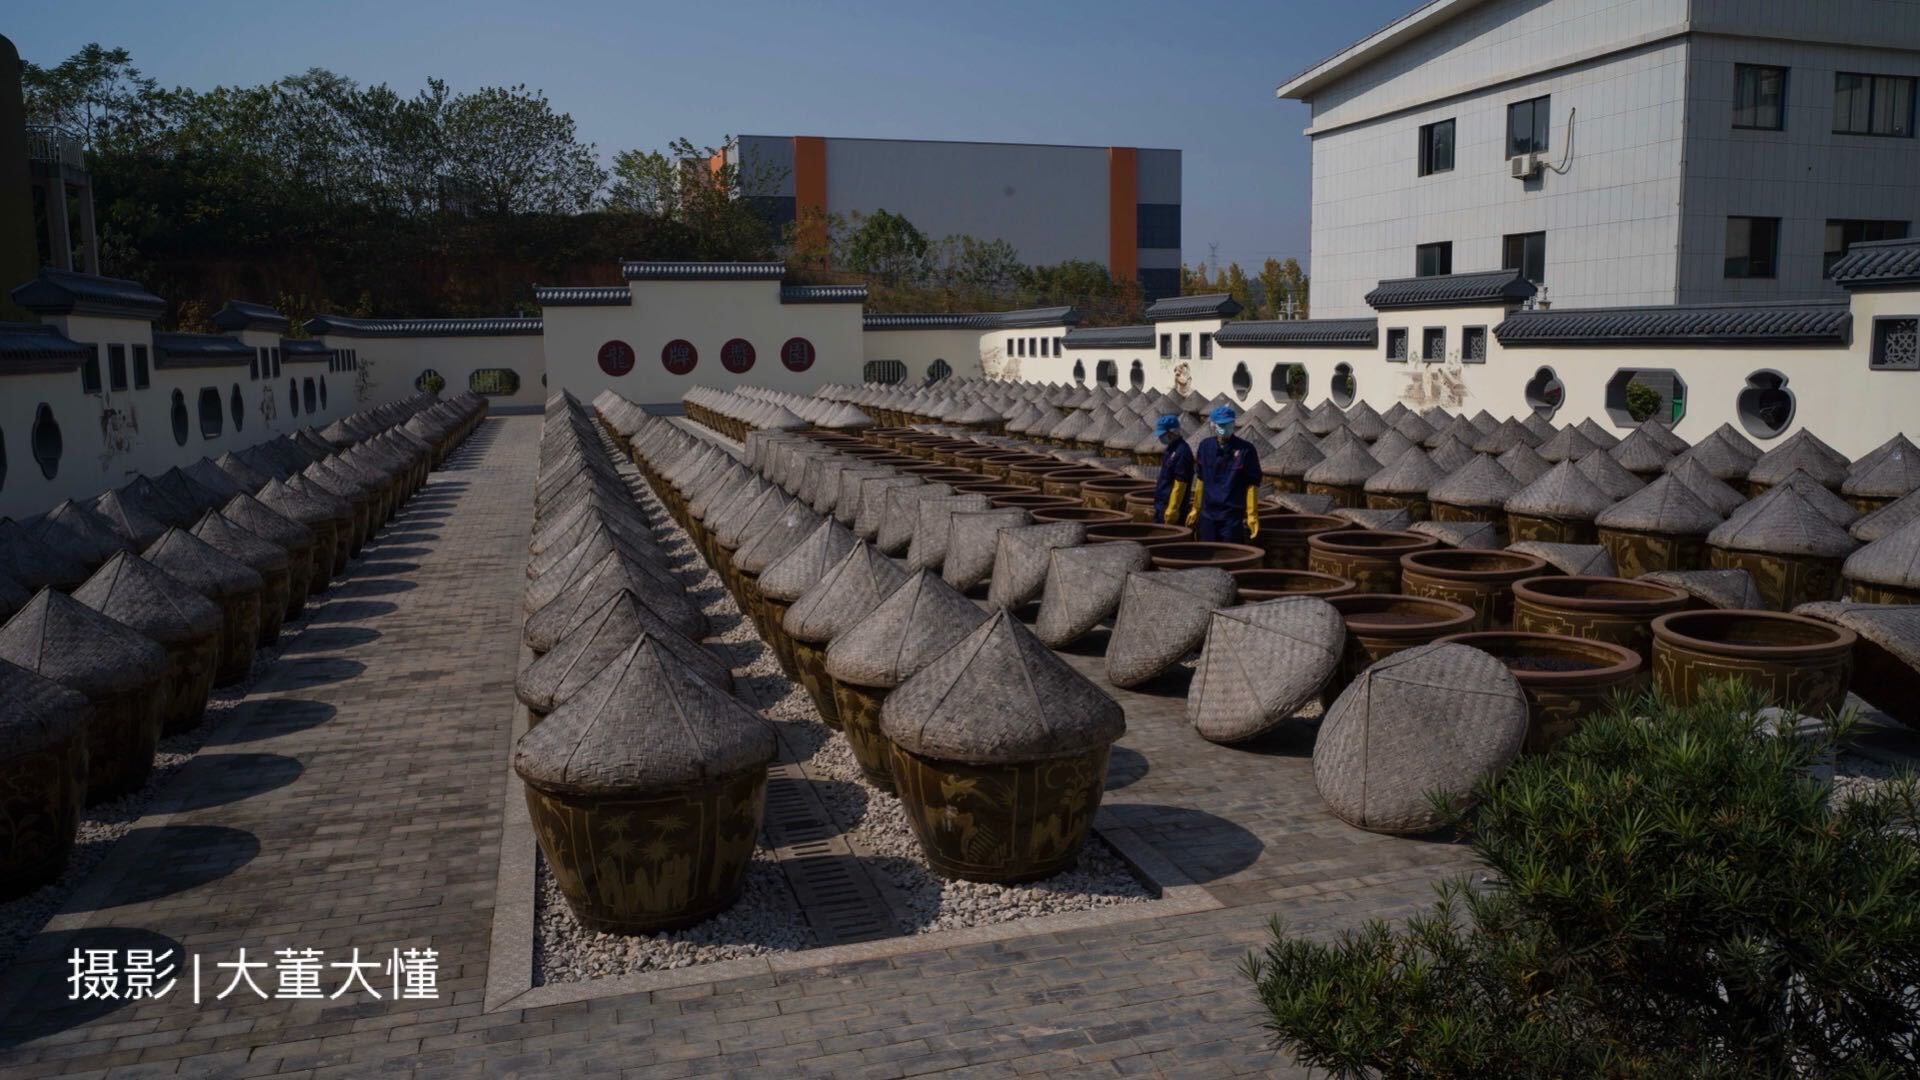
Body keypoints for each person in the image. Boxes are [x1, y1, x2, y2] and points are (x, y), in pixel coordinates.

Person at [1185, 404, 1262, 543]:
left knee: (1230, 552)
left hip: (1231, 516)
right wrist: (1195, 508)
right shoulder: (1205, 446)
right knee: (1207, 551)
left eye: (1228, 424)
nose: (1225, 428)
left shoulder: (1246, 450)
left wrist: (1252, 515)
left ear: (1234, 424)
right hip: (1208, 514)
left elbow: (1252, 484)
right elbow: (1201, 479)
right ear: (1213, 425)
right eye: (1221, 425)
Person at [1150, 415, 1194, 525]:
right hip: (1162, 503)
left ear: (1172, 433)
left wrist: (1173, 509)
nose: (1160, 438)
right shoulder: (1170, 449)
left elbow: (1180, 483)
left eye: (1163, 435)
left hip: (1170, 507)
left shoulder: (1182, 452)